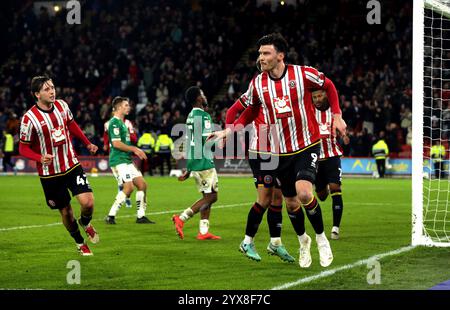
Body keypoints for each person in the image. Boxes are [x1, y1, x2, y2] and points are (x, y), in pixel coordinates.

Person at [210, 33, 347, 268]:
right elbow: (251, 111)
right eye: (260, 53)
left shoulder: (302, 74)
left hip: (306, 145)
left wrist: (336, 114)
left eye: (266, 53)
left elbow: (329, 85)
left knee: (305, 193)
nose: (261, 57)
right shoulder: (258, 83)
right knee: (292, 204)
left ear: (280, 56)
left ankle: (322, 239)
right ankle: (303, 242)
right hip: (279, 153)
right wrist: (229, 131)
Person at [19, 75, 99, 256]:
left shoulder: (62, 106)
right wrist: (39, 158)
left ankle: (85, 222)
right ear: (37, 94)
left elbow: (72, 125)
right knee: (66, 212)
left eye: (53, 87)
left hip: (71, 164)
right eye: (47, 89)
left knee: (88, 202)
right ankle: (79, 242)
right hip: (50, 174)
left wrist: (87, 143)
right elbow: (23, 148)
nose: (52, 91)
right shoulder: (29, 119)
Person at [225, 59, 294, 263]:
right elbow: (232, 111)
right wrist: (229, 134)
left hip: (279, 152)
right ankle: (247, 242)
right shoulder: (258, 89)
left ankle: (275, 243)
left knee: (278, 199)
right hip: (262, 151)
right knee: (264, 199)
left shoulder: (283, 90)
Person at [172, 86, 221, 240]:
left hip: (195, 159)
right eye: (202, 93)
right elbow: (207, 139)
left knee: (207, 194)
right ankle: (182, 218)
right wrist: (221, 138)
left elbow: (191, 141)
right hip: (203, 160)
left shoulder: (190, 116)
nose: (204, 95)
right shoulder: (204, 116)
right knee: (211, 197)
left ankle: (204, 232)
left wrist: (189, 166)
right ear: (198, 98)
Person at [105, 96, 155, 224]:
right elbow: (116, 143)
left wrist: (133, 150)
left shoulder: (122, 123)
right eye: (126, 105)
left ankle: (140, 216)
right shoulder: (114, 122)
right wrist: (134, 149)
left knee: (142, 185)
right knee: (129, 188)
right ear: (119, 107)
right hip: (118, 161)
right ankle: (111, 215)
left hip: (126, 160)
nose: (129, 107)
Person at [311, 89, 349, 240]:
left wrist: (345, 136)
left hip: (332, 156)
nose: (317, 99)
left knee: (335, 188)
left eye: (320, 95)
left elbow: (343, 129)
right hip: (316, 160)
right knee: (321, 196)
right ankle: (323, 185)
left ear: (326, 95)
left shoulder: (334, 113)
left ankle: (335, 228)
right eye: (314, 97)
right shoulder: (309, 112)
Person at [103, 114, 137, 208]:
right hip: (114, 154)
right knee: (120, 181)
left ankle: (126, 198)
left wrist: (126, 132)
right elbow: (105, 134)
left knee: (128, 182)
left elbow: (134, 138)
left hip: (125, 155)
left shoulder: (127, 123)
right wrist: (105, 144)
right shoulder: (108, 124)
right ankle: (120, 203)